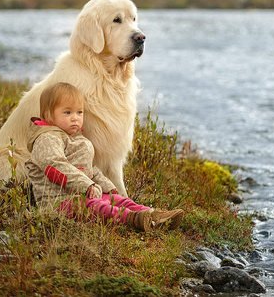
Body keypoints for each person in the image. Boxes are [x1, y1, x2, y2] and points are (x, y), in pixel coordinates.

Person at [26, 82, 182, 231]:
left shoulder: (73, 138)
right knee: (99, 209)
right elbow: (55, 167)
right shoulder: (47, 138)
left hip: (82, 194)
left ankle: (153, 214)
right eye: (67, 112)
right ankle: (135, 219)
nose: (75, 117)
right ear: (48, 115)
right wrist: (87, 185)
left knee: (118, 200)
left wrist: (108, 187)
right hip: (59, 202)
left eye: (79, 112)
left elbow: (89, 170)